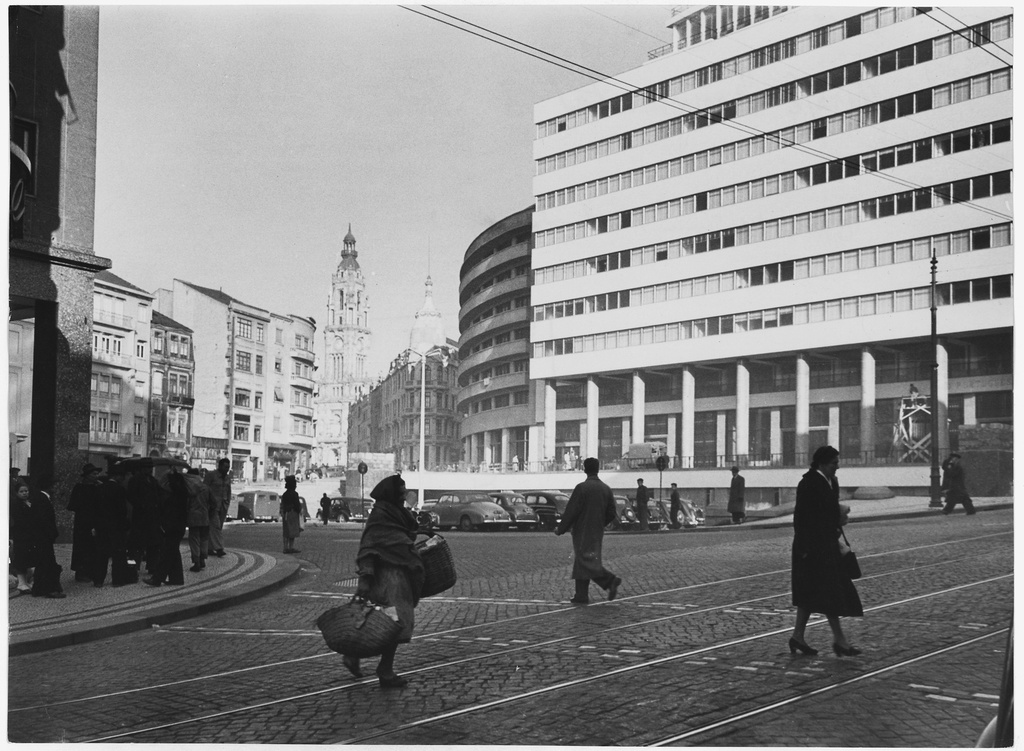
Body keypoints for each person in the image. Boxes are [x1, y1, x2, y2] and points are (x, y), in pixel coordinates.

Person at [347, 474, 426, 688]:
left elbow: (407, 535)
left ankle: (357, 656)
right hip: (386, 577)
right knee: (396, 624)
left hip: (400, 576)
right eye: (401, 491)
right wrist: (365, 577)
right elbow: (370, 547)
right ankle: (385, 669)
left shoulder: (398, 513)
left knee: (390, 624)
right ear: (391, 493)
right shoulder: (381, 516)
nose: (404, 494)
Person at [789, 445, 862, 657]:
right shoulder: (809, 482)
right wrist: (804, 549)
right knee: (823, 592)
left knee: (816, 593)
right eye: (834, 463)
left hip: (827, 544)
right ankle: (838, 641)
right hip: (811, 548)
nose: (837, 467)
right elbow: (801, 517)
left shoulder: (832, 481)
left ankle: (799, 637)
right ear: (822, 463)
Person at [555, 457, 622, 605]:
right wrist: (600, 523)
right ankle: (581, 594)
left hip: (582, 529)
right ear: (597, 469)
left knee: (584, 559)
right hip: (597, 530)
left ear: (585, 469)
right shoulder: (606, 489)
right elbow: (611, 512)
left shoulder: (581, 488)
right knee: (585, 559)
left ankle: (610, 581)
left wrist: (561, 529)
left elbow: (571, 511)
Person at [9, 480, 65, 598]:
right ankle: (47, 588)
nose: (25, 493)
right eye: (22, 491)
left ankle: (39, 588)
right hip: (39, 536)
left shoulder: (35, 499)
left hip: (38, 536)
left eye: (26, 491)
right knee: (45, 561)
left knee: (41, 562)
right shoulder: (39, 499)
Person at [144, 471, 187, 586]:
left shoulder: (174, 497)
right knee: (173, 552)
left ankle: (157, 578)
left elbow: (169, 513)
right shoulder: (182, 494)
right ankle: (176, 578)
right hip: (178, 527)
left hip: (172, 527)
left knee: (167, 553)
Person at [93, 473, 136, 587]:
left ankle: (98, 580)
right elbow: (122, 509)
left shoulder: (99, 488)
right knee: (118, 554)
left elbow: (96, 508)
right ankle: (117, 580)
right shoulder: (119, 489)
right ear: (117, 476)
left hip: (102, 526)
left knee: (101, 554)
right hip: (116, 526)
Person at [67, 463, 103, 582]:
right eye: (94, 474)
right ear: (87, 475)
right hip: (82, 521)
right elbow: (73, 505)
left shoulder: (97, 487)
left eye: (97, 474)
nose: (96, 476)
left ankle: (91, 570)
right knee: (82, 546)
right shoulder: (79, 488)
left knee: (93, 546)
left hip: (94, 520)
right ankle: (81, 572)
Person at [125, 466, 163, 577]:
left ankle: (152, 566)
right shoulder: (136, 480)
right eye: (147, 467)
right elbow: (131, 495)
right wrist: (141, 505)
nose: (150, 469)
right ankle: (134, 566)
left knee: (153, 544)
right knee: (137, 544)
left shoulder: (153, 480)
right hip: (140, 516)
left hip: (152, 516)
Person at [184, 469, 213, 573]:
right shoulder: (206, 488)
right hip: (205, 517)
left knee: (194, 539)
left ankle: (196, 562)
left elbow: (186, 504)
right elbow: (213, 503)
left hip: (193, 517)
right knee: (204, 539)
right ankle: (202, 559)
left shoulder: (189, 488)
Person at [205, 458, 232, 557]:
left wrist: (227, 502)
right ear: (220, 466)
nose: (227, 469)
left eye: (228, 467)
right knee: (215, 526)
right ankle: (219, 548)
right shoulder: (211, 475)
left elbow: (229, 491)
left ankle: (209, 548)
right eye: (225, 467)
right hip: (213, 506)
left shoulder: (228, 478)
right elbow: (205, 489)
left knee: (217, 527)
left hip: (223, 505)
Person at [281, 476, 303, 554]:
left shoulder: (284, 494)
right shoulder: (294, 494)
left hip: (286, 514)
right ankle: (291, 547)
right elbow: (297, 505)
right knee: (292, 531)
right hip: (293, 513)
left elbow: (282, 504)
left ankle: (285, 547)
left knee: (286, 531)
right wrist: (299, 510)